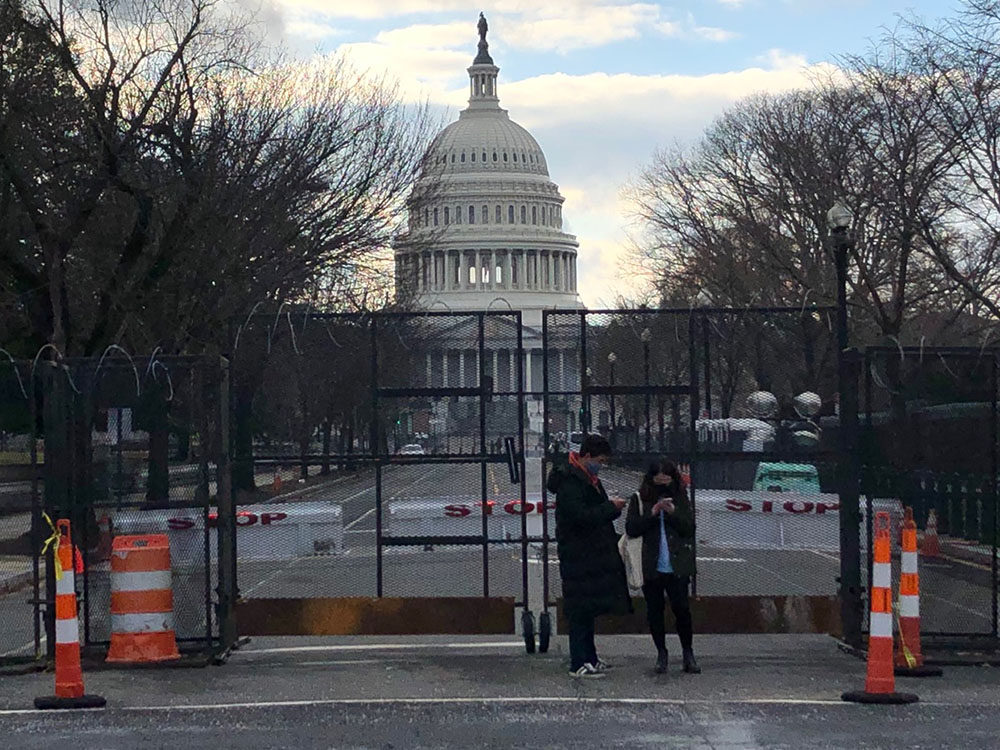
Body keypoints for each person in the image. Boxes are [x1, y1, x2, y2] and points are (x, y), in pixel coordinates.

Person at [546, 434, 630, 678]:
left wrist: (609, 511)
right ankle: (578, 660)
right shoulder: (572, 482)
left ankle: (589, 656)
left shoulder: (588, 478)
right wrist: (609, 508)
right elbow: (580, 517)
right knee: (580, 609)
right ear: (586, 456)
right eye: (600, 460)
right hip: (579, 553)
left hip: (590, 553)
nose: (601, 465)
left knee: (587, 607)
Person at [625, 458, 700, 674]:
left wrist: (673, 513)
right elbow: (632, 528)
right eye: (658, 481)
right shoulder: (640, 499)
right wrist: (653, 513)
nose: (663, 484)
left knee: (682, 610)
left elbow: (689, 528)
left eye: (666, 480)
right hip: (652, 565)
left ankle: (688, 652)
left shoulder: (681, 497)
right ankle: (661, 653)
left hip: (676, 565)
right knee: (655, 611)